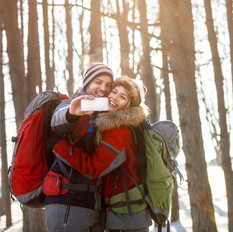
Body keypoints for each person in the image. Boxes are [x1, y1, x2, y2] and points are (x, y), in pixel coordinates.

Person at [52, 76, 153, 232]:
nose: (114, 98)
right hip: (130, 213)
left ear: (129, 105)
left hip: (125, 217)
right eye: (114, 92)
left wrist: (58, 145)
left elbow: (94, 167)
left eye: (122, 97)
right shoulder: (132, 126)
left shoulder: (118, 131)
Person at [44, 62, 114, 232]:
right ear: (87, 83)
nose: (103, 88)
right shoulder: (70, 105)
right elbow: (57, 122)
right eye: (98, 82)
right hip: (68, 203)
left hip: (92, 204)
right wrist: (71, 113)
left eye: (108, 85)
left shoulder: (103, 113)